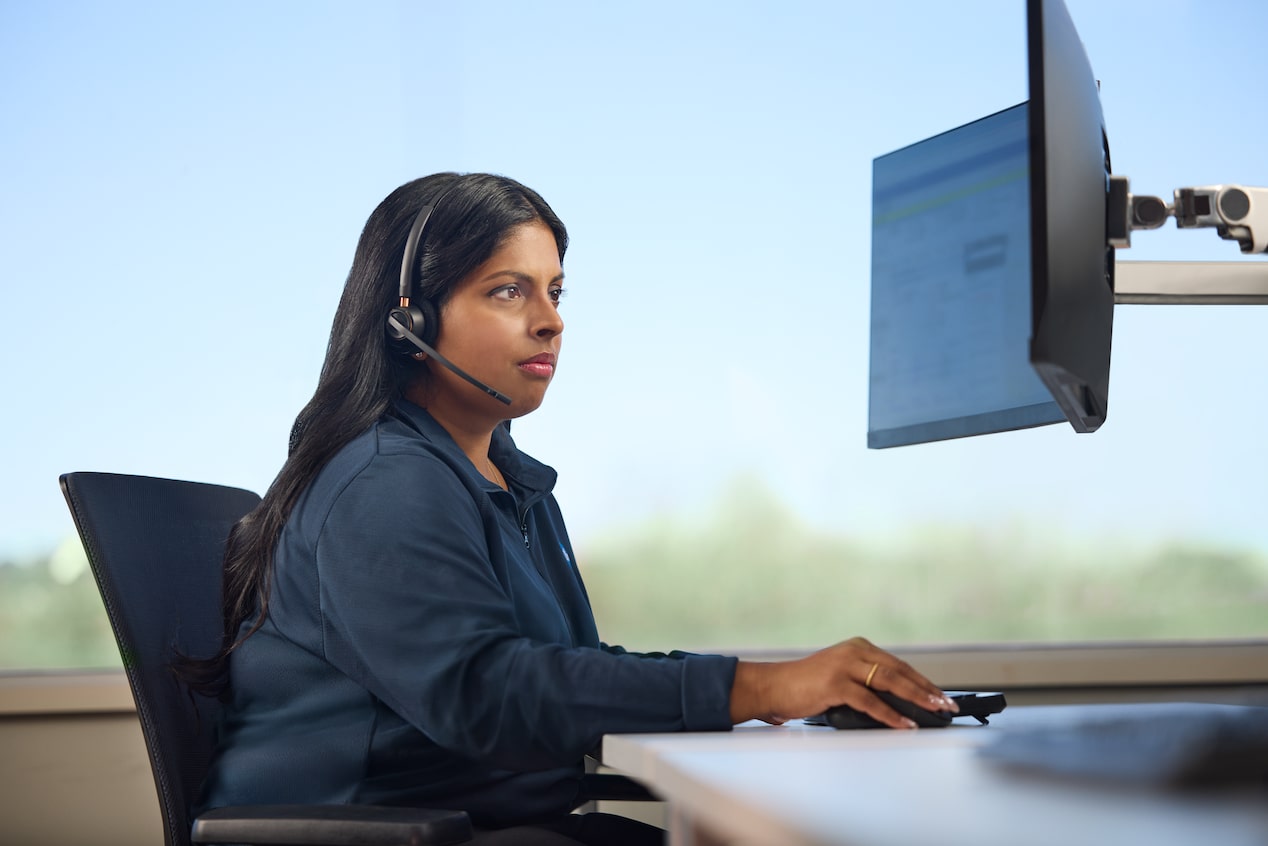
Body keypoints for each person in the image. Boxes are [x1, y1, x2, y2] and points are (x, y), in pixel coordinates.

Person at [190, 172, 958, 845]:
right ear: (411, 320)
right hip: (400, 834)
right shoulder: (383, 483)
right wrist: (757, 689)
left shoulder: (510, 483)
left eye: (554, 291)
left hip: (500, 827)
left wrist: (769, 687)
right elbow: (487, 692)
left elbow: (558, 676)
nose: (551, 320)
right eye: (507, 290)